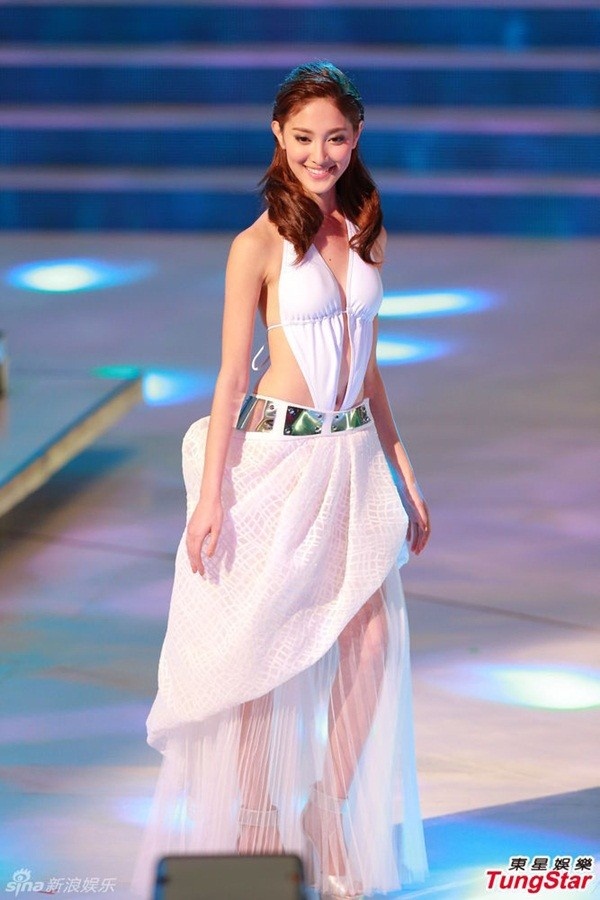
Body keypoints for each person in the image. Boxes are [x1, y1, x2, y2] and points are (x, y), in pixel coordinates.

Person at [131, 62, 430, 900]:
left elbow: (367, 363)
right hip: (275, 458)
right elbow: (231, 378)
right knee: (263, 650)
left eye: (335, 138)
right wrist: (211, 496)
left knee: (369, 641)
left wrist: (403, 465)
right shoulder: (256, 245)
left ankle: (327, 812)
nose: (319, 154)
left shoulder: (364, 224)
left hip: (353, 457)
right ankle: (260, 826)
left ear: (356, 138)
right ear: (278, 136)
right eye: (303, 138)